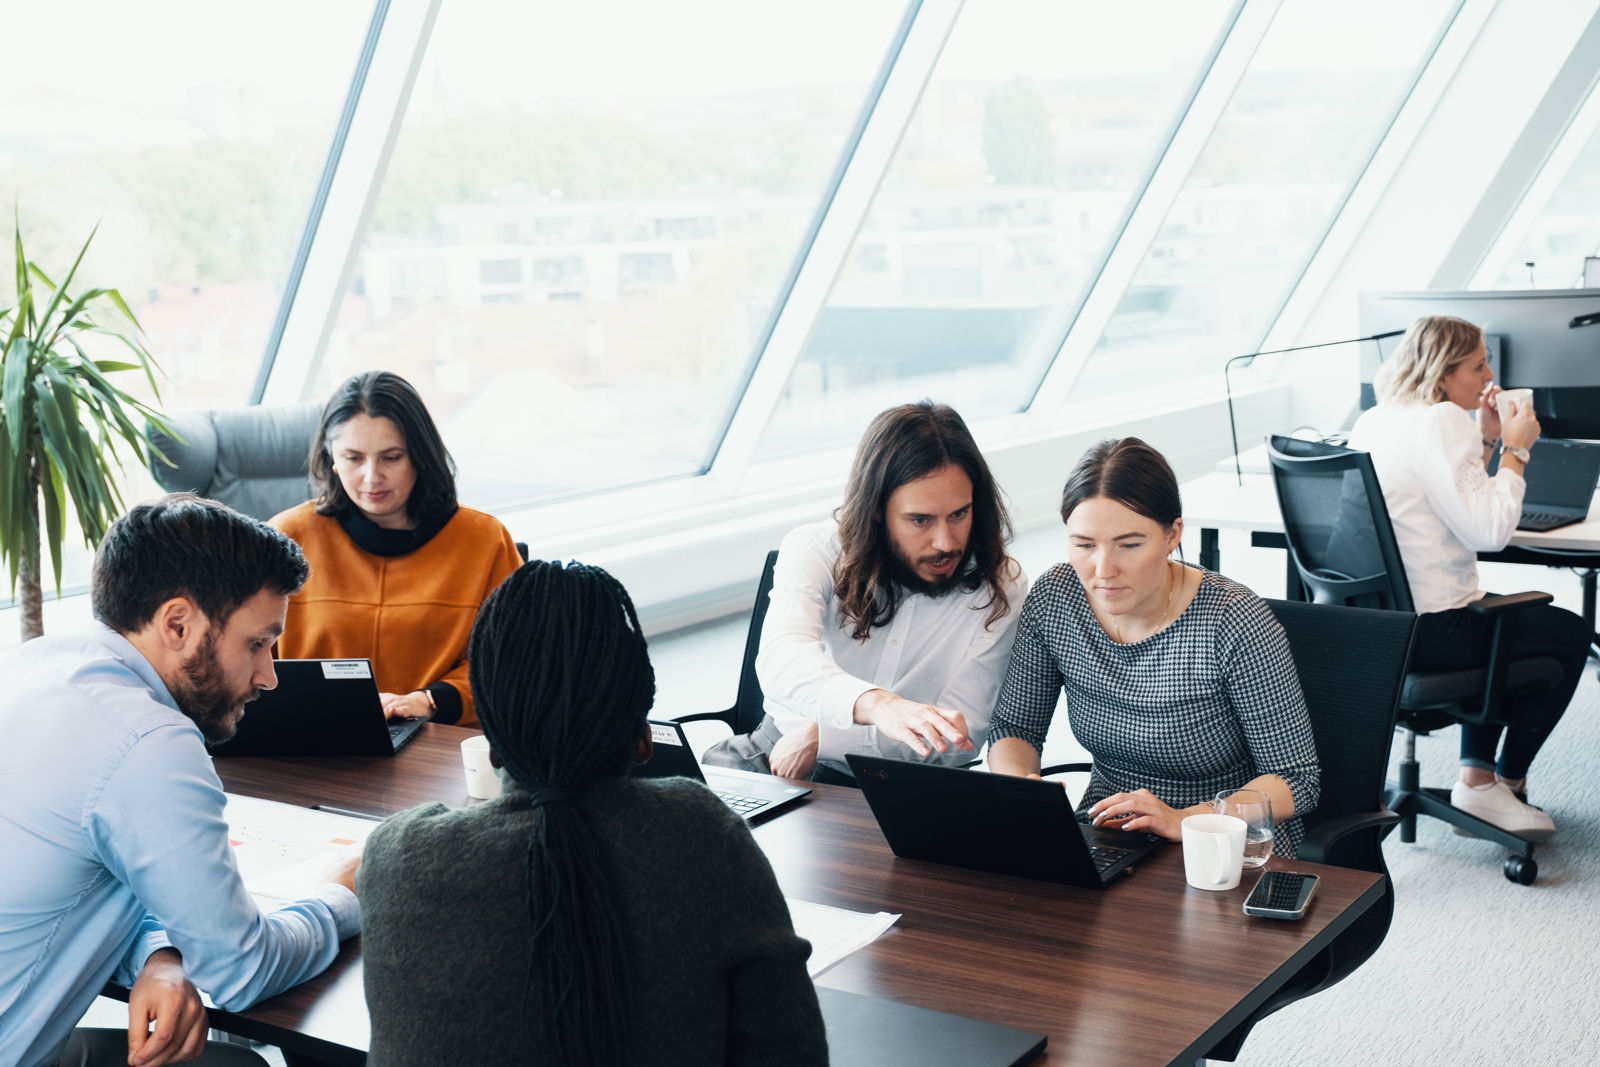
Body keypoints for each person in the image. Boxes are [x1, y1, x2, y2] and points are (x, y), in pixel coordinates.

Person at [357, 560, 827, 1066]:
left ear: (491, 744)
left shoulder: (397, 855)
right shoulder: (698, 833)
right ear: (642, 738)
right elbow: (790, 1049)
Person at [0, 494, 361, 1067]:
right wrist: (343, 895)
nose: (269, 677)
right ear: (177, 623)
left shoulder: (34, 665)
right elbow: (244, 971)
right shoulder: (148, 741)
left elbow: (84, 881)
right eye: (258, 643)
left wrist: (164, 951)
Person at [986, 438, 1320, 855]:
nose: (1103, 570)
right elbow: (1014, 727)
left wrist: (1186, 820)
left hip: (1223, 837)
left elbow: (1296, 780)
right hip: (1110, 830)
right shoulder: (1058, 598)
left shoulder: (1232, 620)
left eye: (1129, 545)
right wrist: (1021, 792)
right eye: (1085, 545)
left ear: (1172, 535)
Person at [1347, 314, 1589, 839]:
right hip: (1436, 633)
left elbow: (1450, 496)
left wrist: (1484, 442)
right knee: (1569, 634)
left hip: (1377, 632)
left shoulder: (1376, 419)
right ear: (1441, 373)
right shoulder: (1439, 420)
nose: (1488, 377)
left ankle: (1477, 781)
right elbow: (1490, 530)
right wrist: (1517, 449)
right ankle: (1504, 784)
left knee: (1506, 616)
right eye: (1478, 365)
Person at [706, 401, 1028, 785]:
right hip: (775, 751)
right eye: (920, 520)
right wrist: (876, 706)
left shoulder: (1001, 582)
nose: (945, 542)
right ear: (876, 509)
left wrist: (823, 737)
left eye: (959, 514)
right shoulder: (816, 549)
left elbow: (962, 738)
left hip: (903, 782)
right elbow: (782, 662)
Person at [270, 370, 522, 726]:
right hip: (310, 742)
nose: (372, 477)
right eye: (354, 458)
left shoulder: (484, 539)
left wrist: (430, 700)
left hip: (440, 744)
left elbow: (514, 661)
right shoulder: (287, 536)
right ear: (331, 458)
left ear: (419, 456)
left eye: (391, 457)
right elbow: (245, 655)